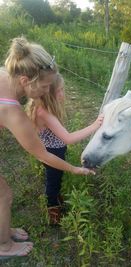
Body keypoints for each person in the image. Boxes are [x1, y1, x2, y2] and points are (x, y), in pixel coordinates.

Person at [0, 37, 96, 259]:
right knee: (3, 195)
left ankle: (4, 230)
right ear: (25, 80)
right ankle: (4, 246)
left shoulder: (6, 74)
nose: (46, 92)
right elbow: (42, 154)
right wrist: (74, 169)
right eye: (44, 86)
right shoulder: (13, 112)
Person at [26, 72, 104, 225]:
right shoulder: (44, 112)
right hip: (51, 152)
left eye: (63, 89)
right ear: (47, 92)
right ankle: (53, 212)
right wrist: (94, 126)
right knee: (53, 181)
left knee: (56, 177)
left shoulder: (44, 106)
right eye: (59, 90)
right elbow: (68, 138)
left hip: (54, 149)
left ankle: (55, 199)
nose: (63, 94)